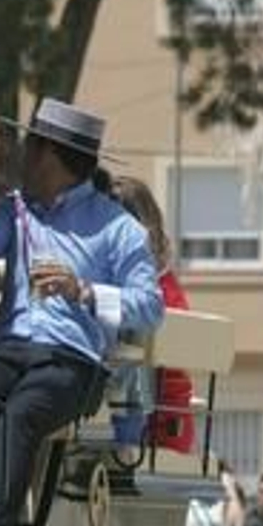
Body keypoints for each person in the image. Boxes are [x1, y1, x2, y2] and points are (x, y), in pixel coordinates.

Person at [0, 98, 164, 526]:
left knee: (23, 414)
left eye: (32, 147)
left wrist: (82, 290)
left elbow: (150, 307)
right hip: (10, 344)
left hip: (74, 359)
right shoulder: (18, 210)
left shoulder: (119, 228)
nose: (21, 158)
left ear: (54, 157)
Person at [107, 175, 196, 455]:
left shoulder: (159, 285)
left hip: (157, 420)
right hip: (128, 406)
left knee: (132, 349)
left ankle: (123, 447)